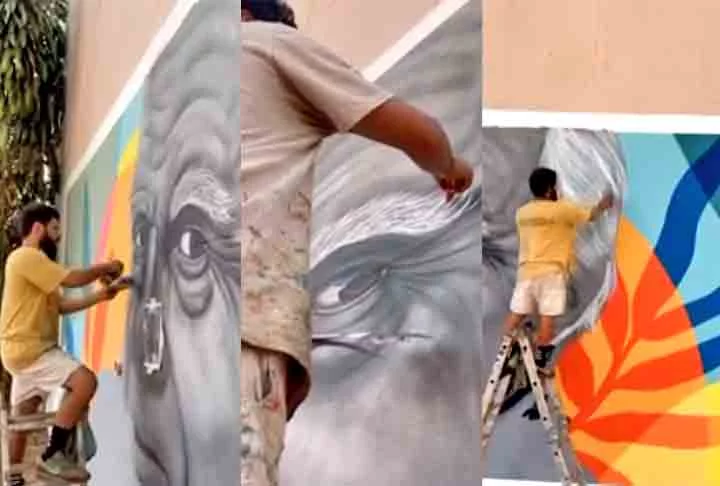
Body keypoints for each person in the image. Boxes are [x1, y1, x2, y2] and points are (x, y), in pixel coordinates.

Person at [240, 1, 474, 485]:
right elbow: (422, 135)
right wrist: (451, 167)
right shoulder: (268, 43)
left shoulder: (184, 89)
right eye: (354, 287)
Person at [0, 203, 131, 485]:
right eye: (55, 228)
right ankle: (53, 455)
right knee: (85, 382)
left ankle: (13, 478)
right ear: (38, 228)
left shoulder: (36, 267)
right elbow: (72, 279)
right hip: (32, 350)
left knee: (22, 417)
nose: (58, 236)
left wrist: (102, 295)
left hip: (21, 354)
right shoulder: (25, 256)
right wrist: (106, 267)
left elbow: (61, 306)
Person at [503, 167, 614, 367]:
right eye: (555, 186)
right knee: (547, 320)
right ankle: (540, 362)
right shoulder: (563, 210)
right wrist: (603, 204)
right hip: (551, 274)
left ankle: (504, 351)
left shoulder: (522, 214)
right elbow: (591, 215)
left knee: (517, 314)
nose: (558, 190)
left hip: (526, 272)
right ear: (549, 190)